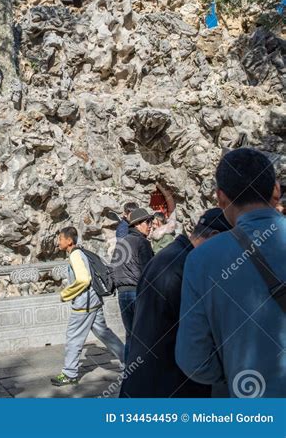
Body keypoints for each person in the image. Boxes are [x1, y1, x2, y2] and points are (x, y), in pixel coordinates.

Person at [176, 148, 286, 397]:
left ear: (221, 198)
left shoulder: (201, 259)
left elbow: (194, 360)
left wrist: (238, 371)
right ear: (276, 190)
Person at [120, 208, 231, 398]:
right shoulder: (185, 266)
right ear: (214, 236)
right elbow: (195, 338)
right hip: (167, 387)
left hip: (146, 381)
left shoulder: (171, 256)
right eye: (230, 245)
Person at [51, 226, 124, 387]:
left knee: (73, 337)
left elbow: (83, 279)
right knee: (104, 333)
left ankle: (69, 374)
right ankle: (128, 361)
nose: (58, 242)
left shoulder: (75, 255)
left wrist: (66, 294)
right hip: (94, 301)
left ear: (69, 241)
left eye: (60, 239)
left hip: (84, 305)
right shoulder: (81, 252)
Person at [111, 207, 154, 360]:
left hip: (122, 294)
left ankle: (129, 372)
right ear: (137, 224)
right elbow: (149, 271)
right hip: (137, 291)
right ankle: (143, 373)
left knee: (130, 335)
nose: (151, 225)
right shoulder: (142, 242)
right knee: (144, 335)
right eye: (147, 222)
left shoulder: (122, 243)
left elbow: (113, 268)